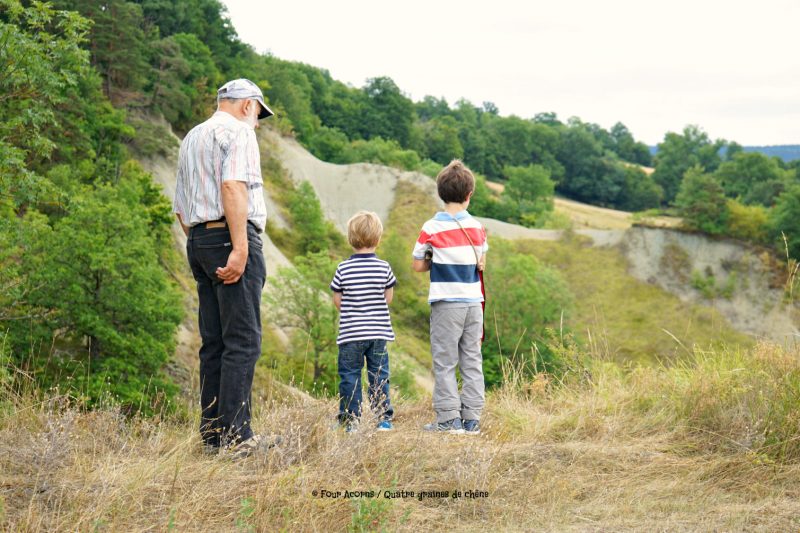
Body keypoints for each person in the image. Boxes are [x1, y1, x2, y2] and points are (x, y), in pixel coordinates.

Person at [173, 78, 276, 456]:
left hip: (198, 240)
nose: (259, 123)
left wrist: (202, 242)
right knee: (243, 340)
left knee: (214, 342)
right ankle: (238, 438)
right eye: (259, 114)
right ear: (247, 105)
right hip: (228, 235)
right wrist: (239, 246)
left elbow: (182, 207)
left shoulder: (192, 137)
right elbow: (233, 187)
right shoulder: (239, 133)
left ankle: (213, 435)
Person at [412, 159, 488, 435]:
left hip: (446, 303)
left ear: (440, 193)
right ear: (469, 195)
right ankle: (472, 419)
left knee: (445, 361)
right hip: (473, 303)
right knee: (471, 358)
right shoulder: (478, 227)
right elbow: (481, 261)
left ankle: (448, 419)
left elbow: (418, 264)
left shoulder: (431, 227)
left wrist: (436, 259)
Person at [330, 211, 397, 432]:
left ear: (351, 239)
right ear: (378, 239)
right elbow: (388, 298)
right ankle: (383, 419)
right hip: (378, 333)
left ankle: (351, 421)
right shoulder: (384, 267)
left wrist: (353, 309)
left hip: (351, 333)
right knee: (379, 375)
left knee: (350, 376)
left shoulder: (343, 268)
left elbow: (337, 299)